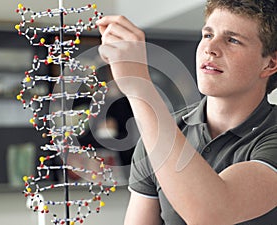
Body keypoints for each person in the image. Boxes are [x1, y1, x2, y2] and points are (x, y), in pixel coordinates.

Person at [96, 0, 277, 224]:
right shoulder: (160, 133)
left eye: (232, 40)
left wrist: (139, 88)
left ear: (269, 64)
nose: (210, 48)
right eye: (208, 35)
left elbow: (212, 215)